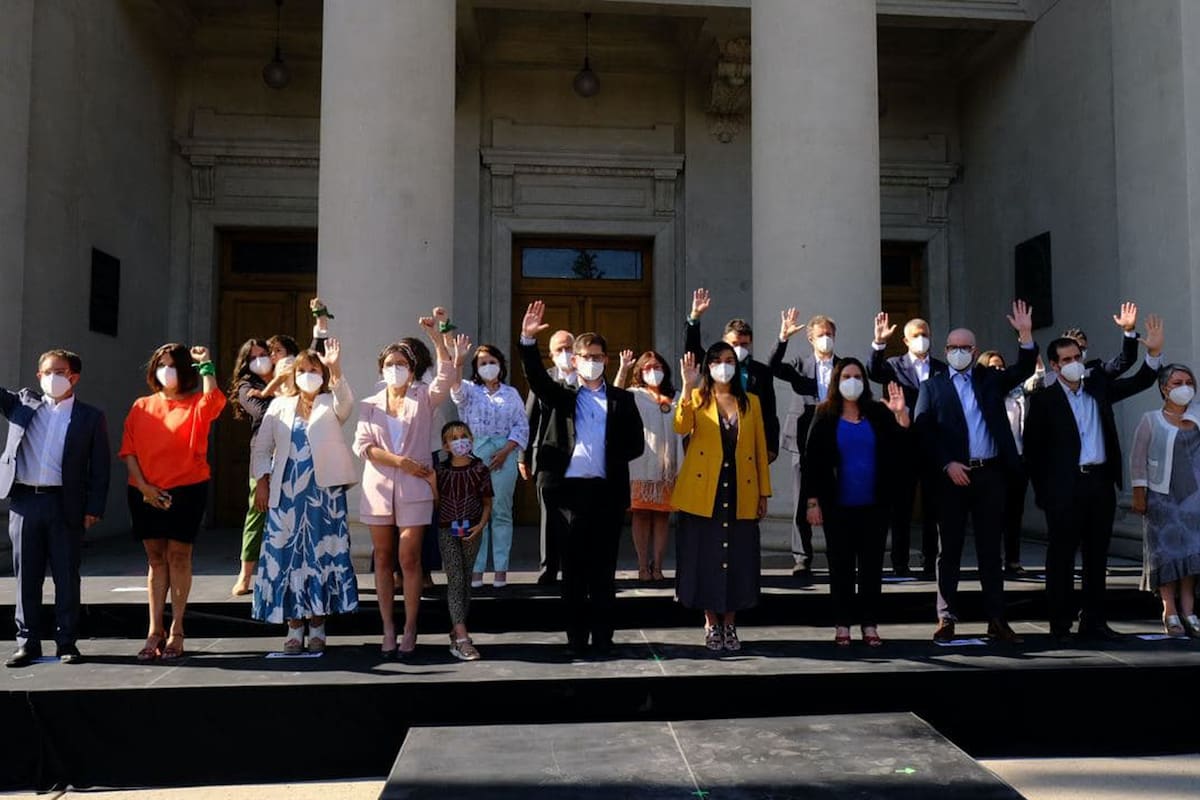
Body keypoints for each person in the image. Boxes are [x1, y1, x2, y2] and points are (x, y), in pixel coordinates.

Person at [1024, 316, 1164, 641]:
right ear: (1055, 366)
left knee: (1097, 555)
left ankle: (1094, 620)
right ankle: (1060, 624)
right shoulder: (1044, 400)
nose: (1075, 363)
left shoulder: (1097, 387)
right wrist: (1046, 495)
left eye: (1078, 357)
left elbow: (1139, 380)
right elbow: (1034, 452)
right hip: (1065, 488)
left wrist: (1153, 353)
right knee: (1061, 557)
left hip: (1099, 483)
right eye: (1067, 360)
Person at [517, 301, 644, 656]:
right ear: (574, 360)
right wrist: (527, 341)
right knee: (573, 572)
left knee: (603, 572)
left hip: (605, 493)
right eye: (585, 356)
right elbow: (537, 379)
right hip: (567, 495)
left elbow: (636, 444)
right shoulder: (565, 396)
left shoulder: (622, 400)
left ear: (606, 360)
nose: (592, 361)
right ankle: (576, 639)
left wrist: (606, 451)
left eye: (597, 356)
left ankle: (603, 638)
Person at [912, 301, 1037, 644]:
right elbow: (924, 431)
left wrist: (1025, 335)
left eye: (965, 347)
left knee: (990, 550)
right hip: (951, 477)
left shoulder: (990, 380)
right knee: (949, 549)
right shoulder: (933, 387)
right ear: (945, 351)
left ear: (974, 351)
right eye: (952, 347)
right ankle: (946, 617)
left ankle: (996, 619)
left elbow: (1024, 368)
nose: (958, 352)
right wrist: (946, 463)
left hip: (989, 475)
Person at [353, 320, 455, 658]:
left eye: (401, 364)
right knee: (382, 557)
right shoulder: (369, 404)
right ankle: (388, 627)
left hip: (415, 488)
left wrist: (436, 338)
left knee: (409, 556)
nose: (395, 369)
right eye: (389, 364)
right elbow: (363, 446)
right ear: (381, 369)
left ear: (411, 371)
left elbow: (446, 375)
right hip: (379, 488)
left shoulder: (422, 398)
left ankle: (410, 627)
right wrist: (401, 462)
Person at [120, 343, 227, 661]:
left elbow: (214, 401)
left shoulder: (196, 404)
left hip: (187, 488)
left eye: (172, 365)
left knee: (179, 556)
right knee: (156, 560)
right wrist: (145, 488)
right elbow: (128, 451)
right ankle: (154, 630)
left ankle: (177, 630)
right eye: (160, 365)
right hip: (145, 490)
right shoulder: (141, 405)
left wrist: (206, 365)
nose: (166, 371)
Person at [2, 350, 110, 668]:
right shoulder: (22, 404)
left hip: (65, 504)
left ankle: (66, 641)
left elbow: (100, 467)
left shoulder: (90, 417)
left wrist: (94, 507)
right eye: (46, 372)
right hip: (25, 501)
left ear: (74, 377)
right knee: (26, 576)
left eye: (59, 372)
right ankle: (27, 642)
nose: (51, 378)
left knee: (66, 575)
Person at [250, 341, 359, 653]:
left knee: (320, 556)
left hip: (324, 497)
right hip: (286, 495)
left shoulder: (330, 401)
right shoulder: (279, 405)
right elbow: (262, 448)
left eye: (314, 370)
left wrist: (335, 368)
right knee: (288, 557)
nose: (307, 375)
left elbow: (347, 404)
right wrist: (262, 482)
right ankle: (295, 626)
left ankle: (318, 625)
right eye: (302, 370)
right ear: (293, 374)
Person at [803, 360, 909, 647]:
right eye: (847, 376)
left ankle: (870, 624)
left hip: (874, 505)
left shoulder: (878, 412)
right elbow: (812, 460)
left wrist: (900, 415)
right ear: (837, 381)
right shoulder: (824, 414)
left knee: (872, 567)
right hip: (837, 505)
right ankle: (842, 624)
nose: (853, 381)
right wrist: (812, 502)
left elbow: (901, 447)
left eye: (858, 376)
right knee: (841, 567)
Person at [673, 344, 771, 652]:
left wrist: (764, 492)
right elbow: (680, 425)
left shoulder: (751, 402)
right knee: (705, 556)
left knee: (738, 556)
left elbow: (759, 449)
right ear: (708, 366)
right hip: (704, 490)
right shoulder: (697, 397)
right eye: (717, 361)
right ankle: (710, 622)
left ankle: (730, 622)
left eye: (729, 360)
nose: (723, 366)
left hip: (741, 486)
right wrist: (687, 386)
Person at [867, 312, 947, 579]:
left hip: (933, 444)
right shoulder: (894, 365)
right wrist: (879, 343)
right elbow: (873, 371)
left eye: (925, 335)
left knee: (933, 506)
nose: (922, 339)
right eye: (916, 336)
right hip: (902, 444)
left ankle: (931, 561)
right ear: (905, 340)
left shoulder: (941, 368)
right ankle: (900, 562)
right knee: (901, 506)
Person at [768, 307, 842, 584]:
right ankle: (802, 558)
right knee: (802, 499)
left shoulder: (843, 366)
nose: (826, 339)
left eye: (830, 334)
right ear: (811, 338)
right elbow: (774, 367)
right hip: (803, 437)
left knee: (835, 497)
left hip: (835, 438)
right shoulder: (800, 364)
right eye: (821, 335)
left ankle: (838, 554)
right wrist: (783, 338)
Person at [449, 343, 528, 589]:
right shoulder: (470, 390)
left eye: (492, 362)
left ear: (501, 365)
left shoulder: (511, 394)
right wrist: (458, 361)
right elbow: (455, 390)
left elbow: (521, 425)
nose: (488, 366)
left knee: (501, 512)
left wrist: (506, 451)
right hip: (475, 455)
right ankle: (476, 570)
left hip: (504, 455)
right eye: (482, 363)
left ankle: (501, 570)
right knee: (475, 512)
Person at [1130, 364, 1200, 637]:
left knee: (1192, 554)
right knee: (1166, 555)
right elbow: (1138, 459)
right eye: (1177, 383)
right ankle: (1169, 610)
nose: (1184, 387)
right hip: (1162, 497)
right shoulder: (1150, 419)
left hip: (1194, 498)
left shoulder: (1198, 415)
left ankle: (1189, 611)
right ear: (1164, 388)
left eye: (1188, 382)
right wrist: (1139, 493)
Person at [683, 288, 779, 461]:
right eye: (734, 344)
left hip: (748, 442)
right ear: (724, 342)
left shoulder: (761, 372)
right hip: (714, 436)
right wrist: (694, 318)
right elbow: (693, 350)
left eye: (744, 344)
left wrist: (771, 447)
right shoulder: (713, 365)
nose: (739, 349)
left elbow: (769, 412)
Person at [615, 349, 682, 582]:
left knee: (662, 517)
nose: (654, 372)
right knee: (641, 515)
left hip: (667, 470)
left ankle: (658, 566)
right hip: (641, 466)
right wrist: (623, 369)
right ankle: (643, 566)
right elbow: (614, 396)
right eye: (648, 368)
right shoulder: (633, 395)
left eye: (658, 367)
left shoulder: (675, 396)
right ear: (640, 372)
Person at [434, 421, 494, 660]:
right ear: (445, 445)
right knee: (456, 578)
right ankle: (462, 637)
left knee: (466, 579)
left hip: (472, 530)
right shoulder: (440, 471)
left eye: (464, 436)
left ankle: (456, 630)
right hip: (447, 530)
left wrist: (481, 525)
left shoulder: (480, 469)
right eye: (454, 438)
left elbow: (487, 502)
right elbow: (437, 502)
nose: (460, 441)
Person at [523, 329, 576, 586]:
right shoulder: (543, 380)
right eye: (559, 350)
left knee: (577, 516)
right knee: (550, 516)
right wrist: (522, 456)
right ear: (552, 355)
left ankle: (574, 568)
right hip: (548, 458)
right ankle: (549, 568)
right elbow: (529, 419)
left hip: (581, 459)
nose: (565, 354)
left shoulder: (589, 379)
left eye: (569, 348)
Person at [978, 350, 1031, 577]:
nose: (998, 371)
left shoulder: (1017, 392)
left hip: (1018, 458)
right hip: (995, 460)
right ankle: (991, 561)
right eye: (992, 367)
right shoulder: (984, 393)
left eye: (1001, 366)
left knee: (1014, 512)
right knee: (992, 514)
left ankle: (1013, 559)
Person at [227, 337, 272, 596]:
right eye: (253, 357)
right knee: (257, 511)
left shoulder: (287, 379)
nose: (259, 360)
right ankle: (245, 576)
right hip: (263, 454)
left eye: (263, 354)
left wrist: (272, 391)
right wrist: (282, 395)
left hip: (292, 452)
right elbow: (261, 412)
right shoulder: (247, 385)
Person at [1038, 302, 1140, 388]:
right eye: (1067, 358)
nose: (1076, 354)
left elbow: (1124, 361)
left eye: (1081, 349)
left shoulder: (1095, 373)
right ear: (1055, 364)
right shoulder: (1049, 381)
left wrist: (1129, 330)